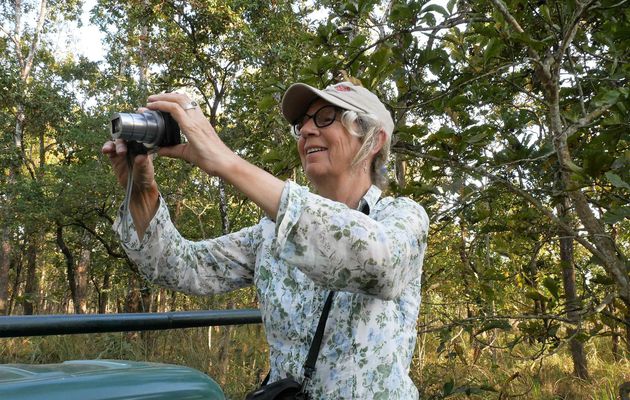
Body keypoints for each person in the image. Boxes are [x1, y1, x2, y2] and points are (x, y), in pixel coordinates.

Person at [102, 81, 429, 399]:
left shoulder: (402, 219)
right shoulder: (271, 232)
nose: (307, 131)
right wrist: (142, 192)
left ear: (373, 141)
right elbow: (182, 267)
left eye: (326, 117)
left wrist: (226, 161)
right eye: (303, 122)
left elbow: (380, 263)